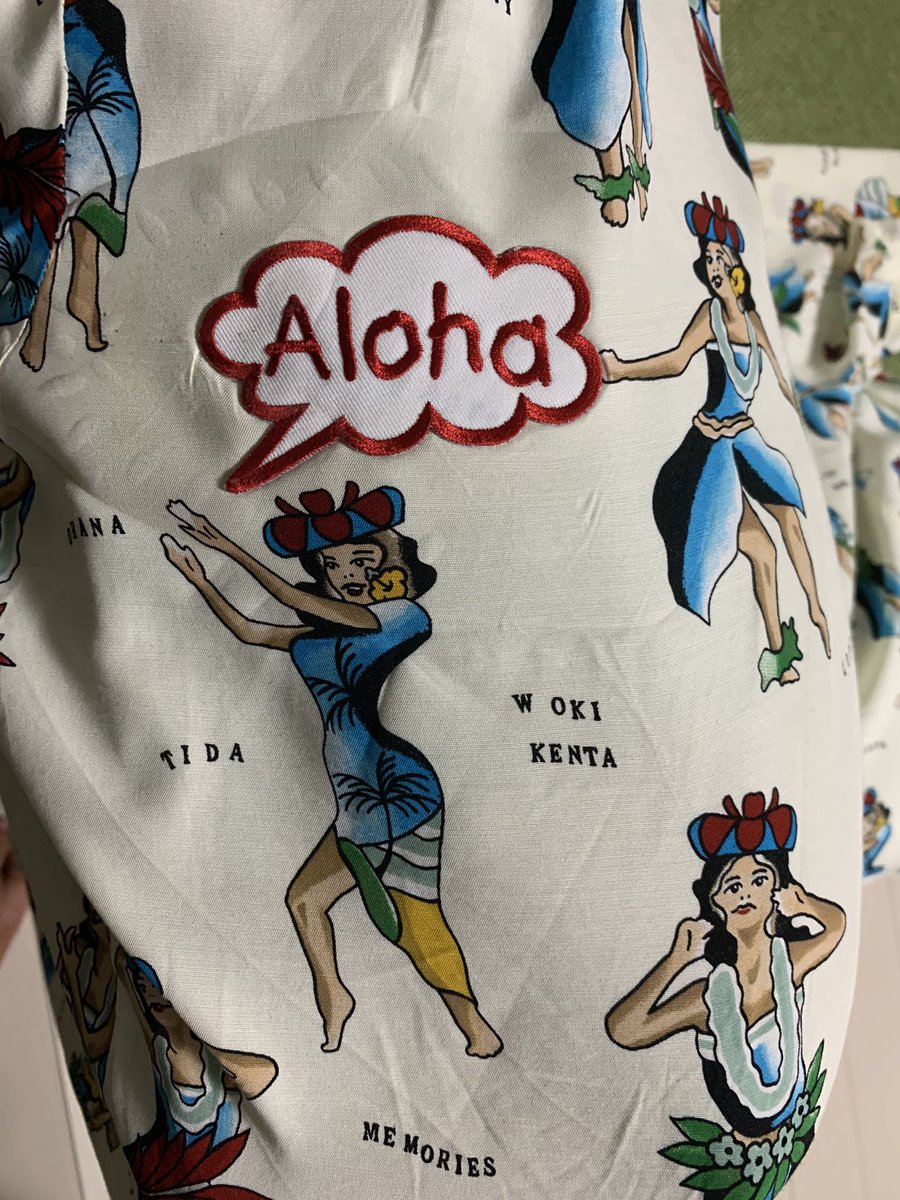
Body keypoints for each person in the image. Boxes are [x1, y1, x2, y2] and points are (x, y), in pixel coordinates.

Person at [161, 486, 503, 1060]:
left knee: (411, 917)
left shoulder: (401, 616)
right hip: (353, 790)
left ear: (389, 563)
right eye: (334, 564)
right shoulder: (322, 635)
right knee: (306, 900)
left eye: (362, 560)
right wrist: (200, 578)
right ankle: (334, 994)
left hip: (393, 784)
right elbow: (250, 630)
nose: (348, 573)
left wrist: (228, 546)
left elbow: (289, 596)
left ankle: (476, 1028)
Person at [600, 193, 830, 690]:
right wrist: (621, 370)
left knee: (789, 518)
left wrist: (800, 414)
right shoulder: (709, 316)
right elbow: (677, 361)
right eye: (708, 260)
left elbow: (783, 381)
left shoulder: (755, 321)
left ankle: (809, 615)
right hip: (711, 448)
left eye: (721, 259)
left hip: (747, 439)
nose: (714, 268)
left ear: (738, 269)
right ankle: (778, 652)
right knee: (756, 548)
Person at [607, 790, 845, 1196]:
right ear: (715, 903)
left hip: (781, 1155)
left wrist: (805, 903)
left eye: (759, 880)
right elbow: (626, 1030)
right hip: (737, 1167)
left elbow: (835, 927)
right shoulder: (707, 999)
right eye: (731, 886)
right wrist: (674, 962)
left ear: (776, 889)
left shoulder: (791, 964)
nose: (745, 894)